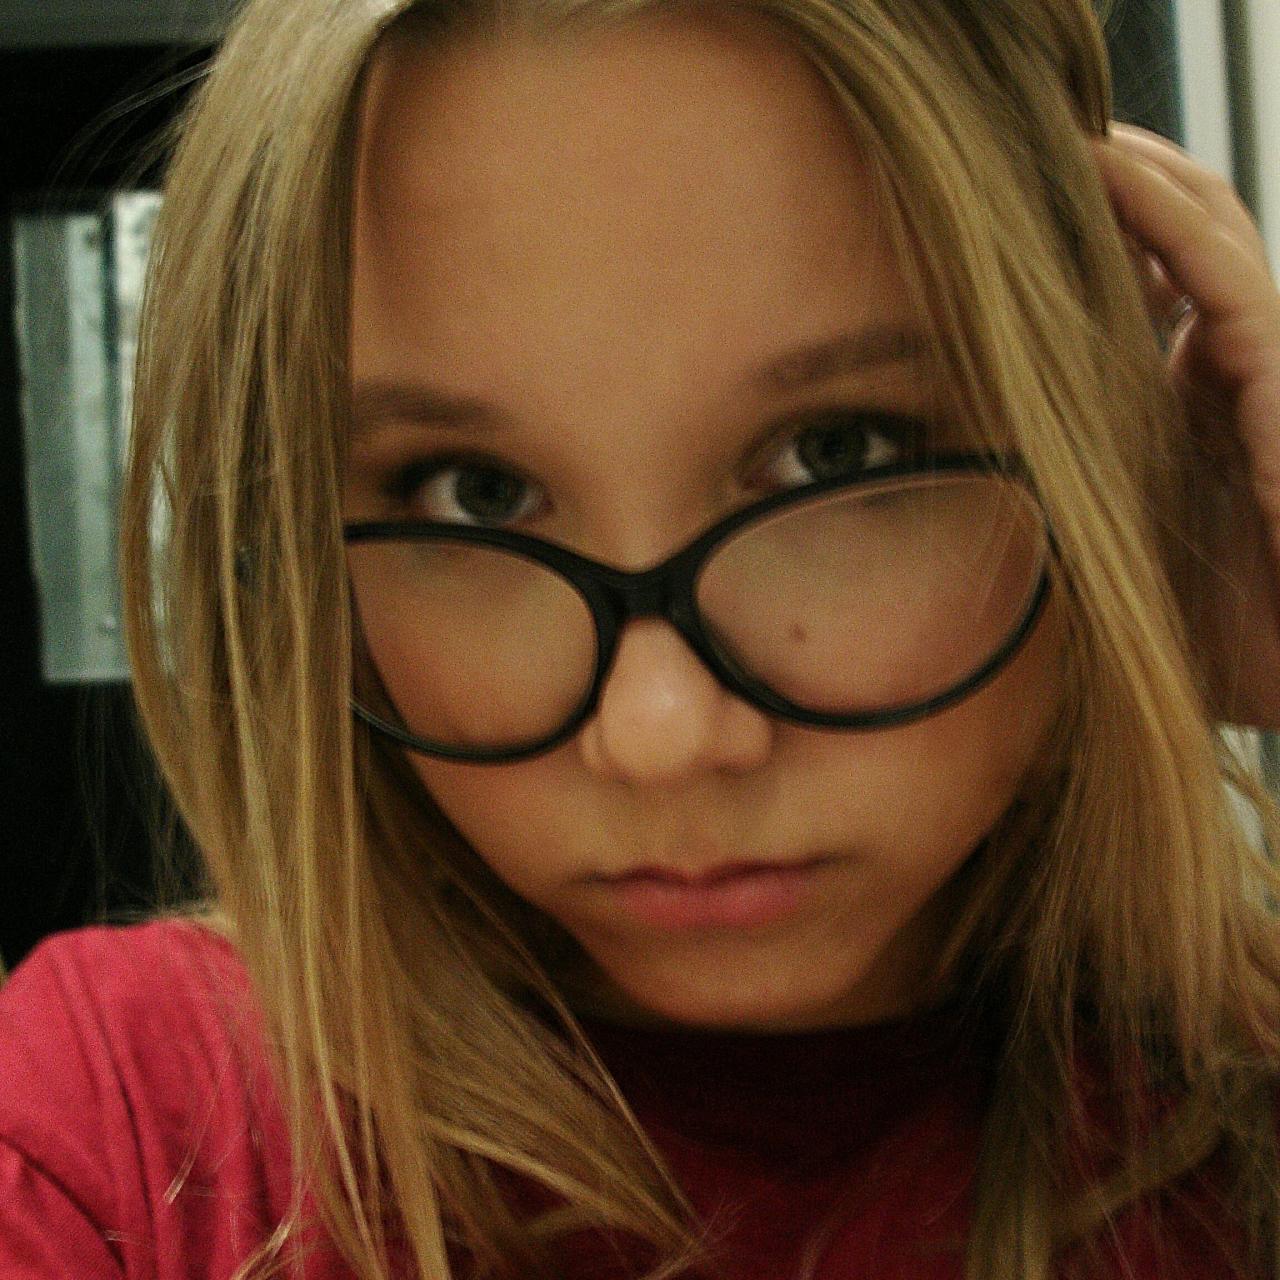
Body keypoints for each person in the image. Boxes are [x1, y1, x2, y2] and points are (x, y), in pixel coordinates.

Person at [3, 0, 1280, 1277]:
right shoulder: (111, 1133)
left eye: (837, 453)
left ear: (1096, 452)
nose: (659, 735)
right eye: (474, 493)